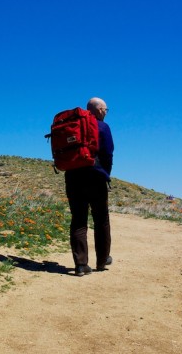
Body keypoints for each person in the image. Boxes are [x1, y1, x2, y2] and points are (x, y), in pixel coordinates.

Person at [65, 97, 114, 276]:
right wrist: (105, 173)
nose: (106, 112)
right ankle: (102, 260)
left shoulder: (72, 124)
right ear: (99, 110)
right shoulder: (102, 127)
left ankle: (80, 265)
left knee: (78, 219)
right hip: (95, 176)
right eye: (105, 109)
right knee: (101, 219)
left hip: (72, 177)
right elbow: (108, 153)